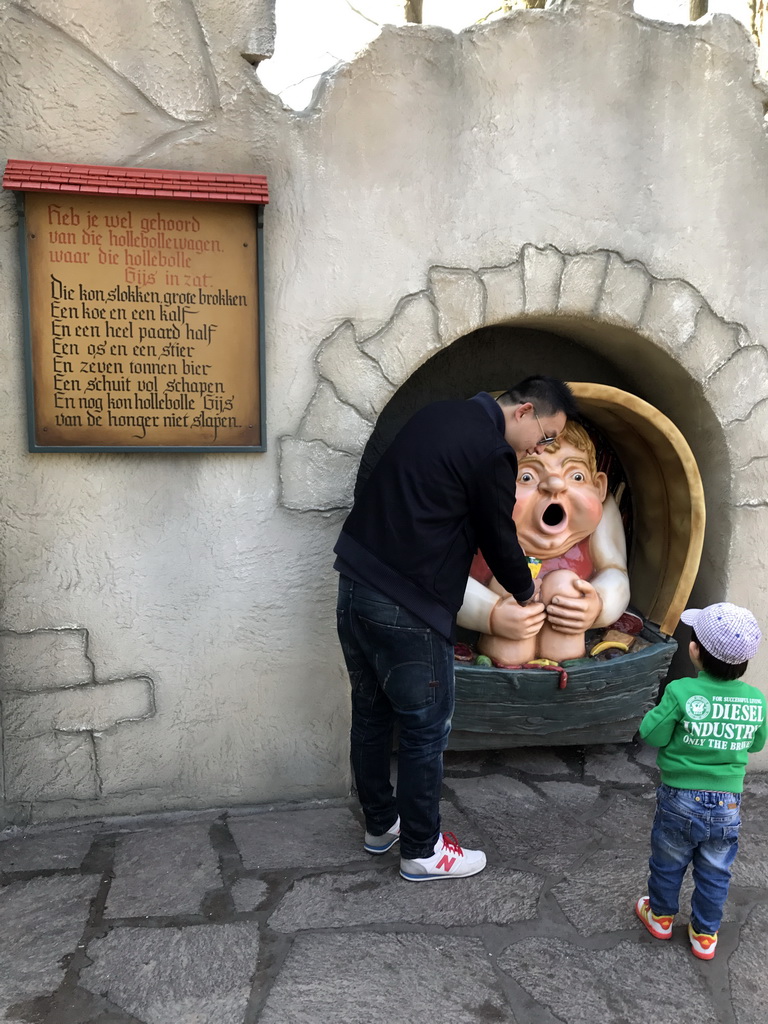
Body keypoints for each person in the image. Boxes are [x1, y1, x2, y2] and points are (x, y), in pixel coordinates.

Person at [334, 376, 578, 880]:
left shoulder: (438, 413)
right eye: (546, 435)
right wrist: (528, 590)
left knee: (372, 714)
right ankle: (423, 849)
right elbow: (499, 535)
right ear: (524, 411)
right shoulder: (491, 451)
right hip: (408, 605)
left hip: (356, 585)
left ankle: (381, 825)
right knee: (427, 729)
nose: (541, 446)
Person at [635, 602, 766, 959]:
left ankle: (660, 917)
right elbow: (755, 742)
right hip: (727, 804)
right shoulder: (756, 700)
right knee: (715, 871)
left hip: (680, 799)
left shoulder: (680, 692)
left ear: (694, 650)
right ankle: (705, 934)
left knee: (669, 861)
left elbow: (652, 734)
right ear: (744, 662)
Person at [458, 420, 630, 665]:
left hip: (566, 645)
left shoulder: (601, 514)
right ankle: (504, 669)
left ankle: (567, 671)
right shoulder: (473, 516)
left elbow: (616, 573)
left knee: (569, 587)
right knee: (510, 584)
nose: (555, 484)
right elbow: (447, 579)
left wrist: (597, 605)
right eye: (526, 476)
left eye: (576, 476)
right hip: (503, 629)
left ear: (599, 487)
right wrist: (491, 614)